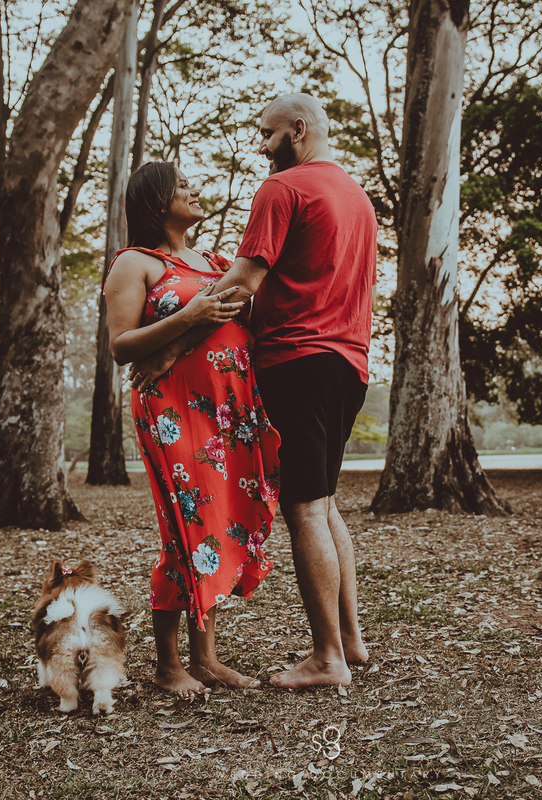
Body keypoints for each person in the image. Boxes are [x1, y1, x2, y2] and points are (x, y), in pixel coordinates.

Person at [129, 94, 378, 688]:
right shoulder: (355, 196)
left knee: (306, 511)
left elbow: (241, 281)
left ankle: (327, 659)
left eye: (267, 135)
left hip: (298, 360)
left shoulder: (284, 188)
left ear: (297, 130)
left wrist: (168, 348)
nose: (261, 147)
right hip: (351, 363)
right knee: (325, 505)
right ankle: (350, 640)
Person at [103, 161, 281, 696]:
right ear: (156, 201)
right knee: (183, 529)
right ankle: (169, 665)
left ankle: (207, 659)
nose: (194, 189)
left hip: (231, 414)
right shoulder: (134, 263)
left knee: (215, 527)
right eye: (181, 185)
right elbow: (121, 346)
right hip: (174, 410)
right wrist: (189, 317)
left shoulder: (216, 260)